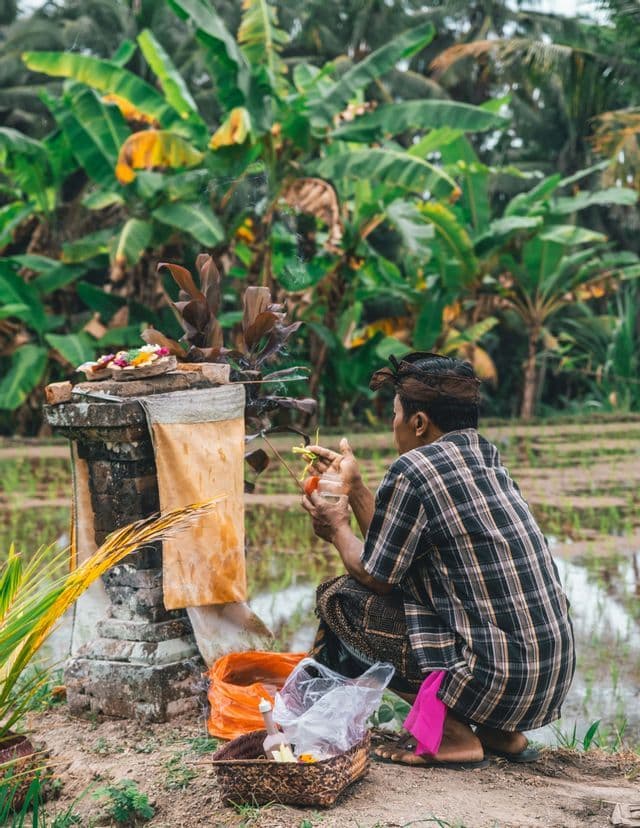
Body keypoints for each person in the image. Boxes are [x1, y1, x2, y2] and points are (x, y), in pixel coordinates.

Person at [301, 352, 575, 768]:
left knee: (339, 599)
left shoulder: (413, 468)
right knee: (463, 613)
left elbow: (379, 576)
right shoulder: (485, 456)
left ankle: (452, 735)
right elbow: (393, 553)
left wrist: (337, 529)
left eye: (395, 414)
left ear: (419, 423)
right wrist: (355, 488)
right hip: (547, 675)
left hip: (496, 678)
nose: (393, 425)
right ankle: (502, 733)